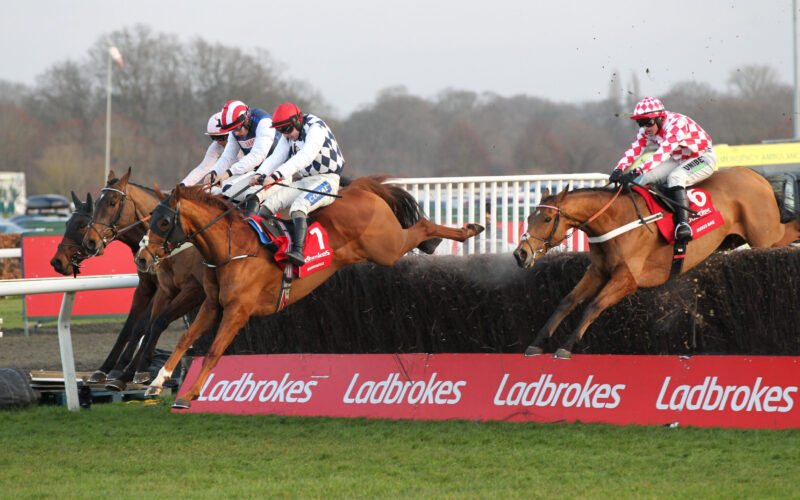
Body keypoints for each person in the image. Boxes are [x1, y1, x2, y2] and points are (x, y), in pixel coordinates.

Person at [249, 102, 345, 266]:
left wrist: (276, 175)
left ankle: (298, 252)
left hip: (327, 180)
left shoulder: (315, 128)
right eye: (281, 131)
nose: (286, 135)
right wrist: (260, 173)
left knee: (298, 206)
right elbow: (277, 157)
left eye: (287, 130)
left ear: (298, 120)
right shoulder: (289, 133)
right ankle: (262, 246)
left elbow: (305, 157)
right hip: (306, 181)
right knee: (270, 204)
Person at [609, 97, 716, 242]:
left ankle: (683, 224)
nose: (645, 127)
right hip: (678, 160)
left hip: (703, 158)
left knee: (675, 177)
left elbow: (662, 153)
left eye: (648, 122)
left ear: (660, 118)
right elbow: (634, 150)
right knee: (644, 178)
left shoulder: (677, 123)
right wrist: (618, 169)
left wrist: (636, 171)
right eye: (640, 123)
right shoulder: (646, 131)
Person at [203, 100, 287, 215]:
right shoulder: (235, 130)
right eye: (232, 130)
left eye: (237, 129)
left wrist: (227, 173)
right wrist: (214, 172)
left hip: (278, 171)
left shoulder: (264, 122)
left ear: (246, 119)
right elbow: (228, 157)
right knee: (220, 193)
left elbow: (257, 156)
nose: (236, 133)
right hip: (256, 172)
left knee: (251, 195)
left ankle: (251, 224)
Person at [180, 112, 240, 186]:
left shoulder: (241, 142)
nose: (218, 142)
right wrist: (183, 184)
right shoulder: (215, 146)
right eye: (214, 138)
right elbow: (203, 168)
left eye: (221, 137)